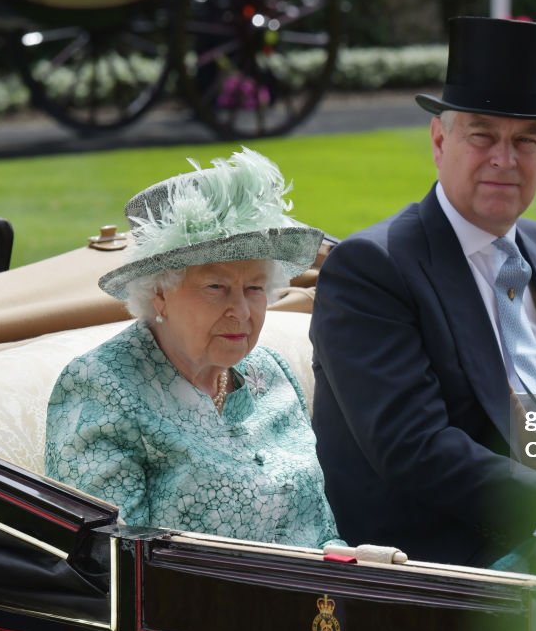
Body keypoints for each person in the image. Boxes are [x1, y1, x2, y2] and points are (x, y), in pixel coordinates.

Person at [310, 17, 536, 570]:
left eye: (526, 140)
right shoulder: (374, 268)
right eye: (483, 135)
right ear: (439, 140)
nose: (506, 159)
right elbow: (413, 446)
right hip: (461, 558)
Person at [46, 148, 341, 549]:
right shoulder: (101, 387)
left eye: (254, 287)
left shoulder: (268, 371)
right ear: (160, 293)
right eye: (216, 287)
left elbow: (320, 528)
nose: (240, 310)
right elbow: (107, 565)